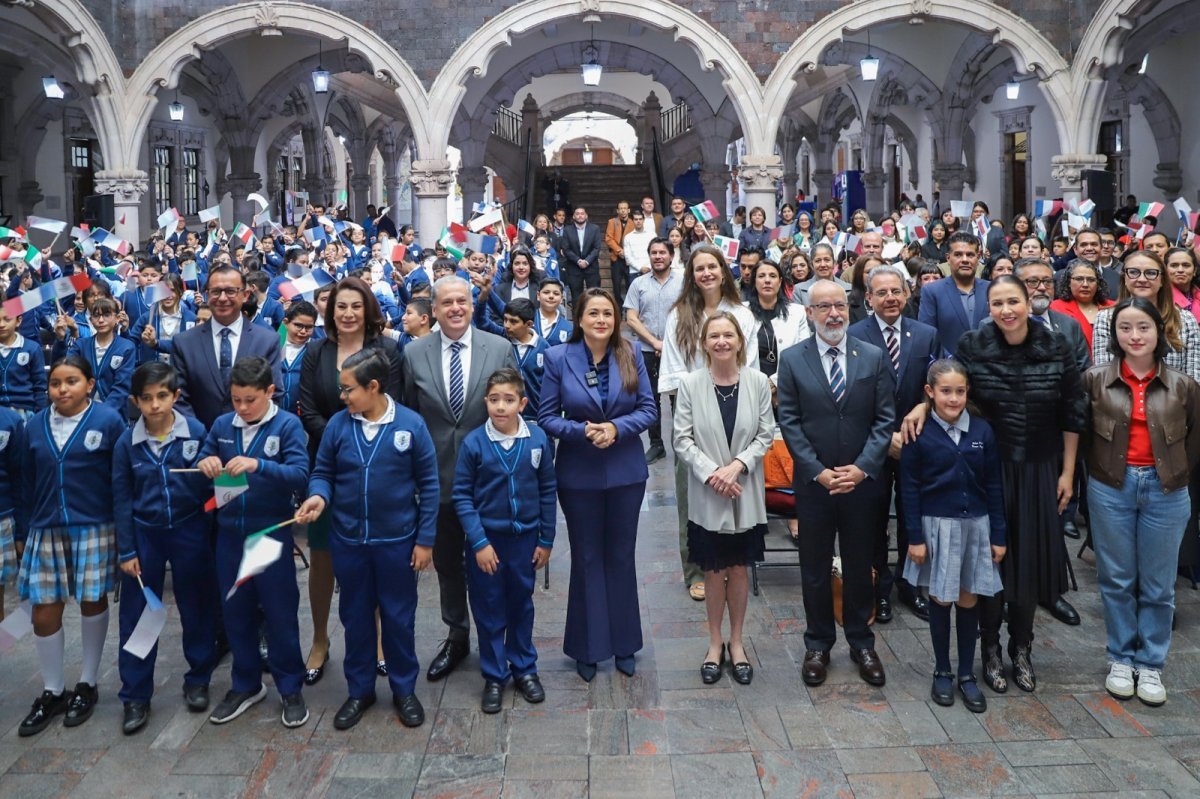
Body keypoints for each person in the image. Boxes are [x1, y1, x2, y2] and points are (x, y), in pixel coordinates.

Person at [904, 276, 1087, 694]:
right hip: (988, 466)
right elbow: (947, 382)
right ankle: (988, 648)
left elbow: (1073, 412)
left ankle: (1021, 647)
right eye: (998, 302)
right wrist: (920, 405)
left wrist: (1067, 473)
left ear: (1028, 302)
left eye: (1014, 302)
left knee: (1028, 564)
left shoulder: (1055, 344)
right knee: (988, 562)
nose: (1007, 310)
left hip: (1040, 468)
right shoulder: (973, 343)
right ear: (989, 306)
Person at [297, 349, 437, 730]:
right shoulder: (339, 427)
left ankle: (404, 689)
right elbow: (322, 471)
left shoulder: (411, 426)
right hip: (350, 542)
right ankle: (359, 690)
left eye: (348, 389)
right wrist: (318, 495)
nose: (342, 397)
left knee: (398, 617)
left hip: (398, 543)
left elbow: (429, 484)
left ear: (373, 387)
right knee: (355, 617)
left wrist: (425, 541)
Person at [776, 280, 895, 688]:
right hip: (816, 484)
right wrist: (818, 470)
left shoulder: (873, 357)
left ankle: (862, 642)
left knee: (861, 565)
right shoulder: (792, 360)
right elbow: (788, 422)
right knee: (814, 568)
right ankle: (818, 643)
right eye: (823, 307)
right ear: (809, 313)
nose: (833, 313)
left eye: (839, 305)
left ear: (850, 308)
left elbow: (884, 420)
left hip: (861, 484)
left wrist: (862, 468)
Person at [1083, 298, 1200, 706]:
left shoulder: (1183, 385)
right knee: (1116, 579)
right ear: (1114, 334)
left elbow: (1193, 441)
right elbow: (1081, 437)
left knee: (1159, 584)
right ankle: (1120, 657)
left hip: (1166, 491)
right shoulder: (1095, 380)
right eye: (1125, 328)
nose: (1134, 336)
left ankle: (1151, 663)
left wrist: (1170, 475)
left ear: (1158, 333)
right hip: (1110, 488)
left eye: (1143, 328)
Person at [401, 275, 516, 682]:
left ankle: (497, 637)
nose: (455, 308)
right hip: (436, 479)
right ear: (433, 309)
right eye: (446, 302)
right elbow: (409, 418)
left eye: (462, 301)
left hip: (490, 479)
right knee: (448, 563)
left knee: (494, 562)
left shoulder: (499, 347)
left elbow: (515, 413)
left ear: (471, 305)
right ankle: (456, 634)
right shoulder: (413, 354)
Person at [537, 288, 656, 681]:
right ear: (580, 318)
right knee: (587, 558)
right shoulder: (558, 358)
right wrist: (583, 431)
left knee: (621, 556)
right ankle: (588, 646)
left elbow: (649, 410)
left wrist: (615, 429)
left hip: (625, 471)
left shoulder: (631, 353)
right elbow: (547, 417)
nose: (601, 319)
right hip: (579, 472)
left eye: (608, 312)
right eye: (593, 313)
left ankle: (624, 644)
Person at [14, 356, 127, 736]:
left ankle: (88, 683)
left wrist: (125, 534)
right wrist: (23, 528)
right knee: (44, 610)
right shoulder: (32, 426)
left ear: (90, 385)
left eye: (72, 381)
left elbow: (120, 478)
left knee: (92, 600)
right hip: (46, 528)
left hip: (94, 525)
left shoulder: (108, 422)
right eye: (56, 383)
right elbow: (25, 481)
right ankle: (52, 689)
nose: (62, 389)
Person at [298, 277, 403, 684]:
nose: (347, 314)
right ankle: (321, 639)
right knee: (323, 557)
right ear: (330, 310)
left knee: (372, 556)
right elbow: (307, 411)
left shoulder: (388, 351)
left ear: (369, 310)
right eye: (341, 306)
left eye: (356, 306)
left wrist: (367, 444)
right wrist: (347, 441)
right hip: (329, 464)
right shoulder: (315, 352)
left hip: (379, 469)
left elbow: (396, 405)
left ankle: (378, 642)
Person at [197, 356, 310, 728]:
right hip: (230, 533)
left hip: (269, 534)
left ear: (270, 392)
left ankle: (290, 686)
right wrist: (207, 463)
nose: (242, 408)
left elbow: (299, 474)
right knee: (235, 613)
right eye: (236, 400)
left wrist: (258, 465)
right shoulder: (221, 425)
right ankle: (245, 684)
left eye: (250, 400)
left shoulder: (288, 425)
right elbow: (204, 456)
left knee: (279, 613)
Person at [113, 363, 219, 734]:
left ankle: (199, 678)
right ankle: (136, 694)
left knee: (197, 607)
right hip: (146, 536)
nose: (155, 405)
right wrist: (126, 550)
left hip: (189, 532)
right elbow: (122, 499)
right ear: (135, 401)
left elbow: (218, 492)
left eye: (162, 396)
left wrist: (206, 515)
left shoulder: (197, 434)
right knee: (142, 616)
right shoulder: (127, 443)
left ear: (176, 396)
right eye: (146, 398)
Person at [673, 313, 774, 686]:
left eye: (727, 334)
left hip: (745, 489)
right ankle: (714, 644)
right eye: (713, 335)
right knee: (714, 570)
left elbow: (765, 434)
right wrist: (715, 474)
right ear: (704, 342)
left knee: (739, 568)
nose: (721, 341)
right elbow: (681, 439)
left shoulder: (758, 382)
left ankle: (737, 643)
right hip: (709, 492)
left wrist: (738, 467)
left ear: (739, 340)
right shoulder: (690, 384)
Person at [900, 359, 1006, 713]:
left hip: (975, 525)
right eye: (945, 391)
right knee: (941, 597)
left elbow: (994, 485)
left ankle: (966, 673)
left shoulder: (982, 432)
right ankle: (942, 669)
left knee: (967, 596)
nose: (954, 398)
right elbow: (910, 488)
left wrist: (999, 534)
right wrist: (914, 536)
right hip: (937, 526)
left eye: (960, 391)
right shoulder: (919, 432)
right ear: (930, 393)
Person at [659, 246, 761, 601]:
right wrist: (687, 419)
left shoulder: (741, 314)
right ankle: (696, 568)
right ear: (691, 274)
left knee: (736, 482)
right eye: (699, 268)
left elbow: (752, 366)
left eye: (712, 267)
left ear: (723, 271)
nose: (706, 273)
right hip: (693, 407)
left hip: (737, 404)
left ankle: (733, 562)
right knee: (692, 493)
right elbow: (673, 372)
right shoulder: (679, 315)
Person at [452, 368, 557, 712]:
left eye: (509, 400)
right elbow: (463, 497)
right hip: (487, 544)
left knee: (521, 605)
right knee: (489, 608)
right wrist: (479, 542)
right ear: (485, 403)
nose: (501, 407)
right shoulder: (474, 444)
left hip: (525, 541)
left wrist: (546, 538)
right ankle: (494, 674)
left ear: (522, 403)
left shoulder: (538, 439)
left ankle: (524, 668)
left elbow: (547, 489)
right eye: (494, 400)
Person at [849, 265, 941, 623]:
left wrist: (924, 404)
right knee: (872, 519)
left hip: (915, 441)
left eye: (896, 291)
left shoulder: (926, 333)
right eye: (882, 293)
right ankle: (879, 587)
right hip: (870, 444)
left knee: (911, 515)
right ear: (869, 298)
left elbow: (936, 380)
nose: (890, 298)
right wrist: (883, 437)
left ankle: (909, 584)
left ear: (906, 293)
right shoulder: (854, 334)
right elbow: (849, 395)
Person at [172, 266, 284, 428]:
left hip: (250, 440)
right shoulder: (184, 343)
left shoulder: (267, 340)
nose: (223, 298)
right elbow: (179, 398)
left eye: (231, 291)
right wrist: (203, 437)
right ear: (207, 294)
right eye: (216, 291)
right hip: (199, 444)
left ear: (245, 295)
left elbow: (273, 395)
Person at [623, 236, 684, 464]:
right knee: (651, 399)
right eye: (654, 253)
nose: (658, 257)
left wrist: (668, 344)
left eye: (662, 252)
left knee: (679, 398)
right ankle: (656, 444)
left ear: (671, 255)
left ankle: (681, 444)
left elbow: (689, 316)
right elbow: (631, 317)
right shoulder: (638, 284)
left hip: (678, 350)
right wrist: (655, 343)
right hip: (647, 350)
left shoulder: (683, 282)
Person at [917, 232, 992, 357]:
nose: (965, 260)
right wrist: (950, 363)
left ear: (978, 257)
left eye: (970, 255)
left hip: (988, 368)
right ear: (948, 258)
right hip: (948, 370)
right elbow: (927, 335)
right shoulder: (932, 291)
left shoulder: (991, 289)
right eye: (958, 255)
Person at [65, 296, 136, 419]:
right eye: (96, 316)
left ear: (117, 318)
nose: (101, 320)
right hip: (82, 412)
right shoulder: (81, 345)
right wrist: (61, 339)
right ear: (91, 319)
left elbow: (122, 388)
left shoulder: (126, 347)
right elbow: (66, 369)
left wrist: (102, 413)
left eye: (107, 315)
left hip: (114, 414)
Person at [745, 259, 810, 382]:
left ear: (780, 282)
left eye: (773, 276)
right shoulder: (741, 312)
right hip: (750, 384)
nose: (767, 280)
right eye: (761, 276)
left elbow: (803, 353)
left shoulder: (797, 313)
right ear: (754, 281)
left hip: (787, 383)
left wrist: (774, 383)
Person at [0, 305, 48, 418]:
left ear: (18, 321)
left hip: (25, 411)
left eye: (7, 319)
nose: (1, 324)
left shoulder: (32, 348)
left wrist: (40, 417)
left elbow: (39, 387)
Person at [278, 301, 317, 416]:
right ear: (286, 323)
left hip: (305, 418)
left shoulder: (318, 350)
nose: (303, 331)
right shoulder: (273, 344)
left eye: (309, 327)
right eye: (298, 326)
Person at [559, 206, 602, 300]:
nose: (580, 216)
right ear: (573, 217)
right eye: (577, 214)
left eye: (582, 213)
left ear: (586, 216)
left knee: (594, 295)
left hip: (591, 266)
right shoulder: (567, 230)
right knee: (576, 297)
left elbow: (597, 247)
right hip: (574, 267)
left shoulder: (595, 229)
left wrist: (587, 261)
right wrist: (578, 261)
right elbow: (566, 249)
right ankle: (577, 315)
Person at [605, 201, 635, 303]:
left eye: (625, 208)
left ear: (628, 210)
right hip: (616, 258)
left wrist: (626, 252)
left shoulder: (633, 222)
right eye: (620, 208)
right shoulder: (612, 222)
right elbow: (609, 238)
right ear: (617, 210)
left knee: (630, 285)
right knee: (616, 286)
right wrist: (619, 250)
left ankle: (629, 306)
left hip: (629, 259)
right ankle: (619, 306)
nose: (623, 210)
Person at [1166, 247, 1200, 317]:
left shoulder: (1197, 294)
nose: (1180, 270)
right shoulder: (1160, 297)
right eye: (1174, 265)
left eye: (1186, 265)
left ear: (1194, 271)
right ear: (1166, 269)